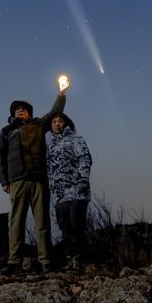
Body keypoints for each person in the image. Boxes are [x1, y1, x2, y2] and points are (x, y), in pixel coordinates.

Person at [0, 82, 68, 275]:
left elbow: (55, 111)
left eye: (24, 109)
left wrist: (61, 95)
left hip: (38, 180)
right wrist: (4, 180)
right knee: (16, 222)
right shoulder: (6, 131)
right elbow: (0, 157)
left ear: (29, 112)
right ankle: (13, 261)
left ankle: (45, 260)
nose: (21, 111)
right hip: (17, 180)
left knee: (42, 222)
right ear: (13, 113)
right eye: (18, 109)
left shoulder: (38, 125)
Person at [47, 112, 92, 271]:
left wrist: (82, 180)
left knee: (76, 226)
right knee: (64, 227)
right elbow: (49, 168)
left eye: (60, 121)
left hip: (76, 191)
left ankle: (82, 261)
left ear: (66, 124)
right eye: (54, 121)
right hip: (60, 195)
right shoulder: (50, 144)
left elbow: (85, 158)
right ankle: (69, 261)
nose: (57, 124)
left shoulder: (75, 138)